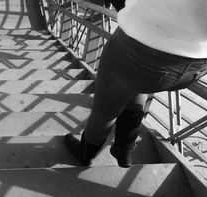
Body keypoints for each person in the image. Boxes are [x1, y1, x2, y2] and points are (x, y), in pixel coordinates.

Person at [65, 0, 207, 168]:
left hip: (140, 48)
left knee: (104, 113)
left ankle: (85, 154)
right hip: (196, 66)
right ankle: (124, 151)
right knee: (136, 85)